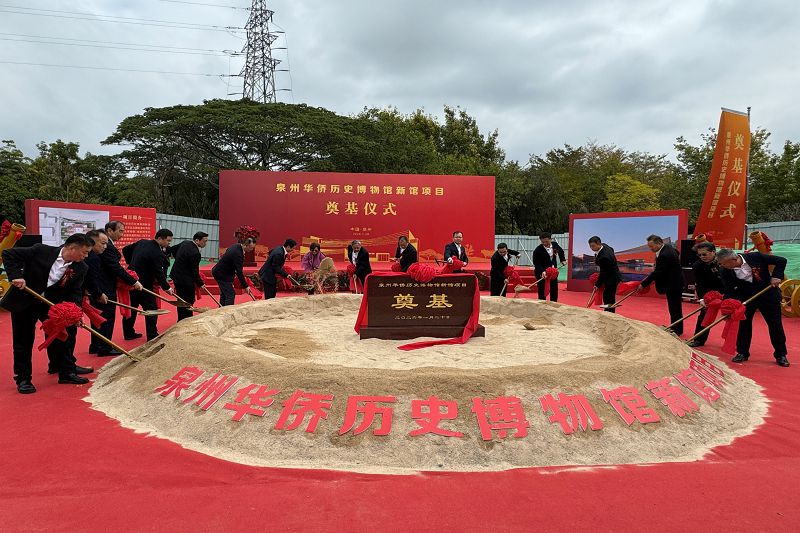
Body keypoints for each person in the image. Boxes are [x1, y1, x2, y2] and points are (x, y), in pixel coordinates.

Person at [1, 233, 95, 393]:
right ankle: (23, 379)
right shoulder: (41, 250)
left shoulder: (81, 267)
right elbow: (9, 254)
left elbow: (75, 292)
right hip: (25, 300)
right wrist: (16, 276)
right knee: (23, 341)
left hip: (50, 305)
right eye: (84, 252)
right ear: (72, 248)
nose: (86, 256)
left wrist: (75, 313)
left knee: (63, 336)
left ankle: (65, 371)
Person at [717, 248, 789, 367]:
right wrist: (726, 307)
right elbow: (729, 289)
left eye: (723, 263)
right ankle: (742, 352)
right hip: (746, 298)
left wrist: (776, 276)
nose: (722, 265)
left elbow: (781, 260)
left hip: (768, 295)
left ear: (734, 259)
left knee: (775, 324)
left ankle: (781, 354)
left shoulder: (756, 257)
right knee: (744, 325)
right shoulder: (725, 271)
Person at [95, 221, 143, 349]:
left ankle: (96, 345)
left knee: (98, 315)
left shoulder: (108, 245)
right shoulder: (107, 247)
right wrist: (133, 281)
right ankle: (105, 347)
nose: (122, 234)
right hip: (104, 285)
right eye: (120, 231)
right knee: (106, 316)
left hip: (100, 284)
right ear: (110, 230)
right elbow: (115, 268)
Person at [122, 229, 175, 341]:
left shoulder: (142, 242)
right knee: (152, 308)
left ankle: (128, 333)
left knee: (131, 308)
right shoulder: (157, 253)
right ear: (160, 238)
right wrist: (167, 288)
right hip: (144, 285)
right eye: (168, 241)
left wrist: (130, 263)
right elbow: (158, 273)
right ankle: (152, 335)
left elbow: (125, 249)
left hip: (131, 281)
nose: (169, 244)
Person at [639, 235, 685, 335]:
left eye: (652, 246)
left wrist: (644, 284)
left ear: (659, 243)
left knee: (674, 308)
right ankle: (675, 327)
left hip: (673, 284)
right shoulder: (668, 248)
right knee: (674, 307)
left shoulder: (665, 254)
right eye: (649, 247)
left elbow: (658, 272)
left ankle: (677, 330)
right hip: (674, 282)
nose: (651, 249)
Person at [688, 242, 724, 348]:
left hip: (730, 289)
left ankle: (739, 346)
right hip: (711, 292)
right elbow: (700, 284)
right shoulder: (697, 266)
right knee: (704, 315)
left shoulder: (724, 259)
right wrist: (702, 298)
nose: (701, 257)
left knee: (735, 315)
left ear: (713, 252)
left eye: (704, 254)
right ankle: (698, 339)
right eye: (699, 255)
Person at [170, 232, 208, 321]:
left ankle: (181, 319)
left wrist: (180, 260)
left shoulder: (185, 243)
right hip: (186, 280)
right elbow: (194, 271)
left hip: (176, 276)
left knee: (180, 300)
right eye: (204, 241)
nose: (205, 243)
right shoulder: (195, 253)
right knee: (188, 301)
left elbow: (173, 249)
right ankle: (187, 320)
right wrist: (200, 283)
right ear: (197, 240)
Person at [211, 238, 256, 306]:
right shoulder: (238, 254)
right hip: (222, 274)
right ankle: (228, 312)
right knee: (230, 294)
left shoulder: (236, 246)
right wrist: (246, 286)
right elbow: (239, 272)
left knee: (224, 293)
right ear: (245, 245)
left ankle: (221, 310)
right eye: (250, 248)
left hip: (221, 272)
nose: (251, 250)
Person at [588, 236, 621, 313]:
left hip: (612, 278)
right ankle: (608, 311)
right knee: (608, 296)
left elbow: (603, 273)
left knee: (608, 297)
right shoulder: (604, 246)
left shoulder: (604, 257)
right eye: (590, 246)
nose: (591, 248)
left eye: (593, 246)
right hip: (610, 274)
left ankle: (610, 313)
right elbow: (612, 249)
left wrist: (597, 284)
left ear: (598, 243)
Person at [532, 232, 566, 302]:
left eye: (546, 241)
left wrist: (562, 260)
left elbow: (561, 251)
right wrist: (542, 271)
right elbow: (537, 264)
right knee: (542, 290)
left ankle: (554, 304)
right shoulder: (537, 250)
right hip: (542, 273)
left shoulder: (555, 244)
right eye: (543, 242)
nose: (545, 243)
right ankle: (542, 305)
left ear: (551, 239)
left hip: (553, 272)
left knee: (554, 289)